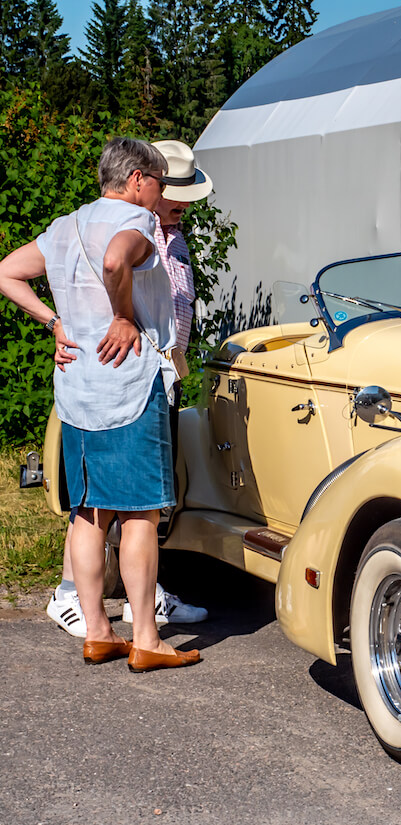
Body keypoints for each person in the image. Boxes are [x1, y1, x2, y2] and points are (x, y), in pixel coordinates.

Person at [0, 136, 200, 671]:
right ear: (137, 179)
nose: (161, 195)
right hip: (131, 385)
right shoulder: (136, 224)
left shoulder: (65, 226)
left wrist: (54, 322)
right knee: (139, 516)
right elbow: (116, 260)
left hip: (78, 388)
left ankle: (96, 632)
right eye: (158, 182)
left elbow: (6, 272)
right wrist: (123, 314)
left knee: (88, 513)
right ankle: (146, 639)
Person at [44, 140, 213, 637]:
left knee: (112, 501)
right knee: (129, 504)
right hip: (127, 375)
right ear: (144, 183)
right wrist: (94, 321)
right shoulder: (131, 225)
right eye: (172, 191)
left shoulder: (168, 236)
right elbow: (108, 276)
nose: (180, 204)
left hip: (154, 370)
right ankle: (97, 607)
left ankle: (130, 608)